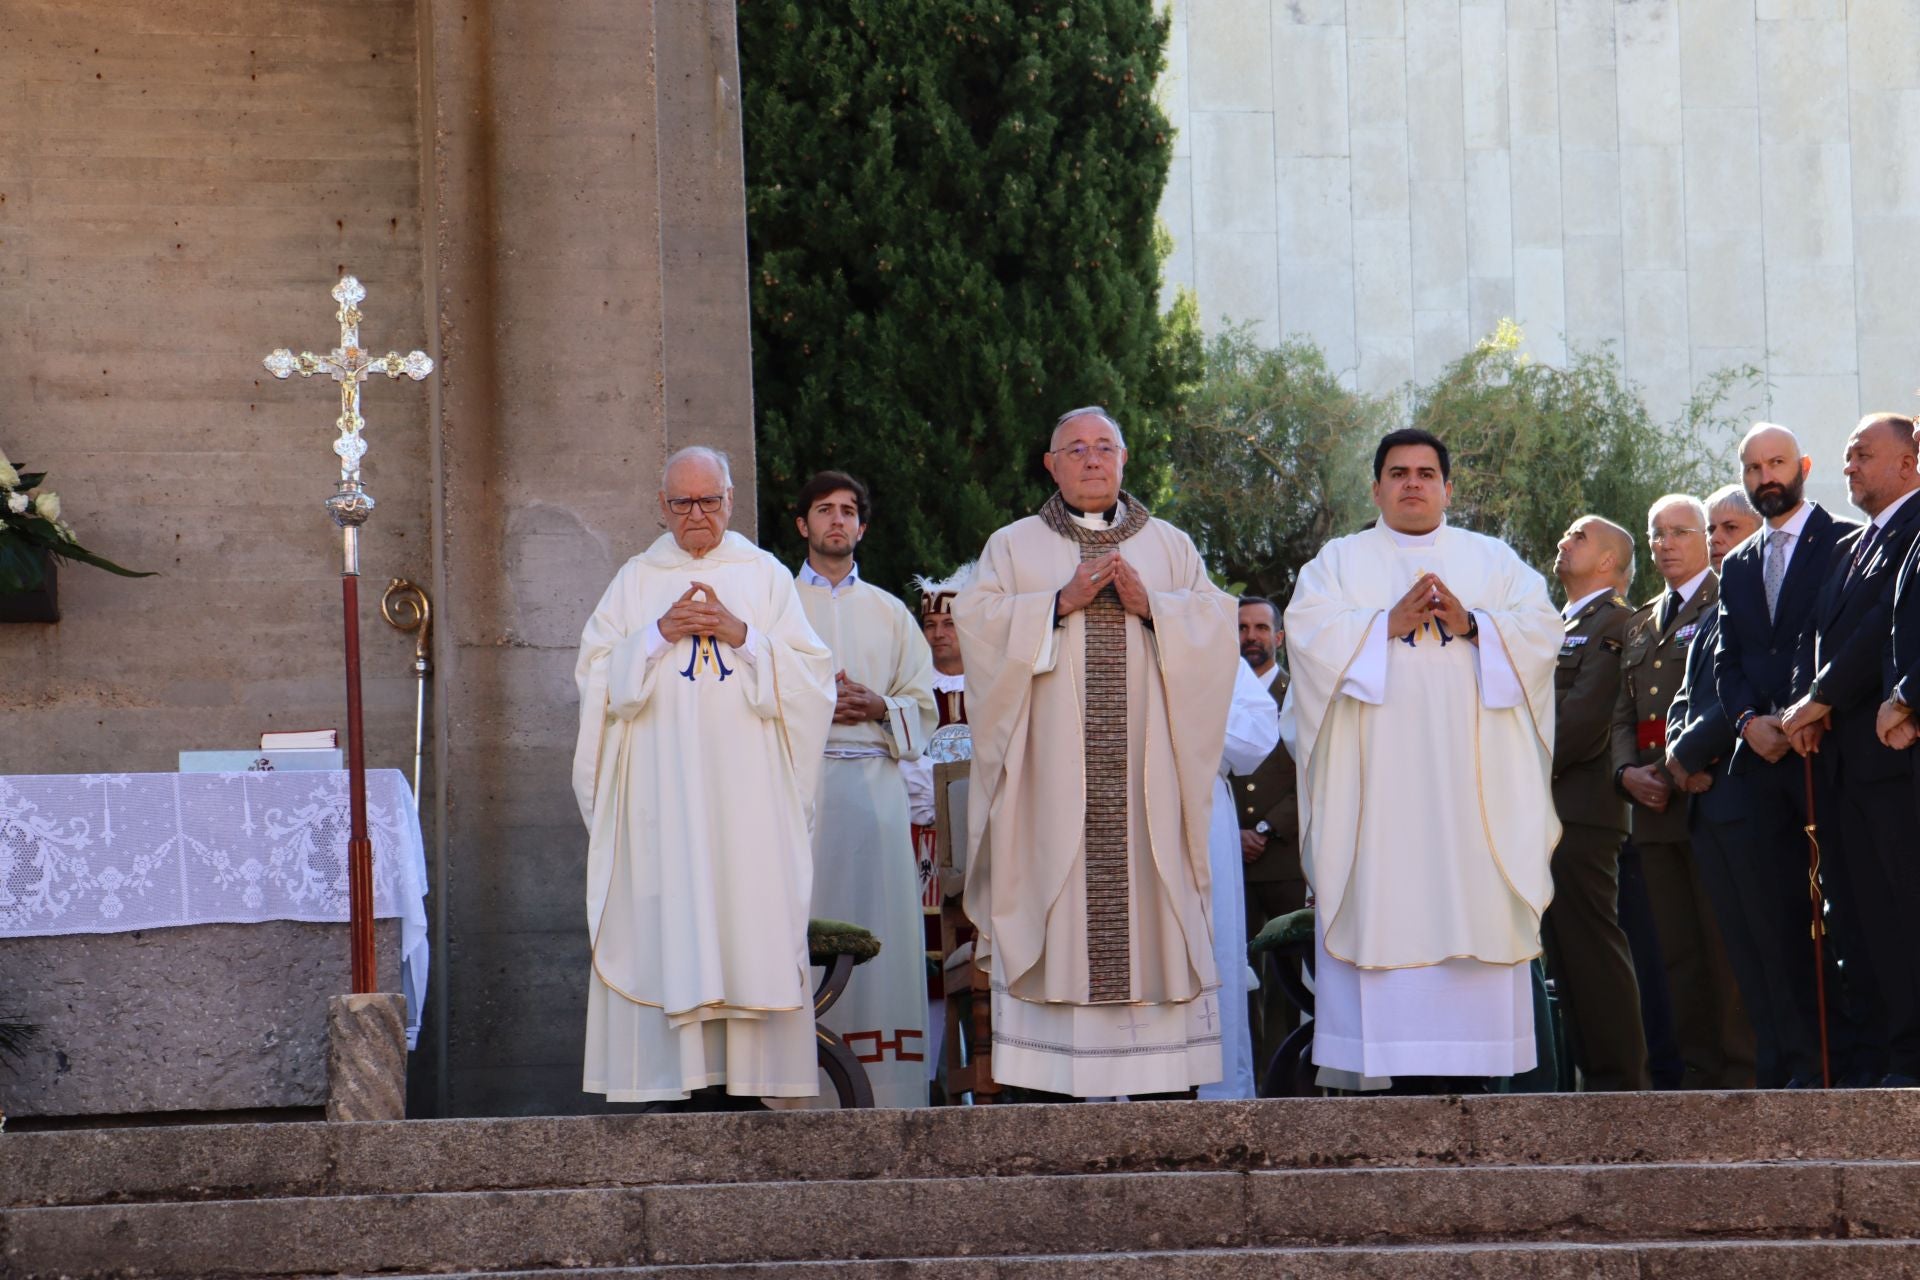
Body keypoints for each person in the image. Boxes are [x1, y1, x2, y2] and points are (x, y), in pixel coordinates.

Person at [953, 406, 1238, 1098]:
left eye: (1103, 447)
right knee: (1055, 902)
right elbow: (978, 626)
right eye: (1074, 449)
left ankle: (1162, 1080)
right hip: (1050, 783)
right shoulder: (1014, 547)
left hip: (1149, 788)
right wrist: (1054, 603)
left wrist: (1155, 608)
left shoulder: (1170, 548)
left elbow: (1215, 629)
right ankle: (1046, 1080)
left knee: (1152, 905)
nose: (1090, 459)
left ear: (1124, 458)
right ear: (1050, 465)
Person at [1282, 428, 1562, 1087]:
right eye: (1399, 473)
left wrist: (1475, 625)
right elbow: (1309, 635)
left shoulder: (1493, 561)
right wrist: (1382, 627)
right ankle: (1398, 1077)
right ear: (1376, 487)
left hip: (1475, 800)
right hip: (1379, 796)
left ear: (1448, 488)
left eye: (1427, 473)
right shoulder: (1338, 563)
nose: (1413, 483)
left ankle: (1473, 1079)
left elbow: (1544, 632)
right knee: (1387, 897)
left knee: (1474, 903)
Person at [572, 446, 836, 1108]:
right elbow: (597, 678)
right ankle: (674, 1082)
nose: (697, 514)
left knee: (742, 915)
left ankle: (747, 1083)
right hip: (661, 803)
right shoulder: (636, 581)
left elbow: (812, 679)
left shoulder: (765, 575)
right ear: (662, 508)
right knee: (672, 914)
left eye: (709, 500)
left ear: (731, 501)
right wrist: (657, 634)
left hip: (747, 802)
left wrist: (741, 633)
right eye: (683, 503)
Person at [1711, 422, 1857, 1087]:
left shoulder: (1845, 545)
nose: (1766, 477)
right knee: (1772, 922)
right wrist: (1747, 722)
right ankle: (1797, 1064)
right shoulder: (1738, 564)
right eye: (1753, 467)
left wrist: (1802, 712)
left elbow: (1834, 640)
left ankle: (1860, 1061)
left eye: (1776, 463)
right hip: (1759, 763)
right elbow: (1727, 658)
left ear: (1802, 465)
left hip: (1825, 755)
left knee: (1847, 913)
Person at [1778, 415, 1920, 1087]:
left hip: (1892, 760)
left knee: (1902, 907)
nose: (1851, 467)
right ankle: (1886, 1054)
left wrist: (1822, 699)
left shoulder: (1915, 527)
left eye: (1864, 455)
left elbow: (1875, 634)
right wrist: (1810, 703)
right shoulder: (1854, 543)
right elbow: (1822, 634)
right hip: (1844, 763)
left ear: (1908, 462)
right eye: (1846, 457)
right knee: (1860, 918)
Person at [791, 471, 938, 1108]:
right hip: (802, 795)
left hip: (876, 795)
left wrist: (879, 704)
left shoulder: (891, 612)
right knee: (801, 926)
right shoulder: (775, 605)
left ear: (863, 526)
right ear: (802, 524)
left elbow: (926, 707)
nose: (837, 521)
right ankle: (798, 1078)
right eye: (824, 510)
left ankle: (890, 1088)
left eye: (849, 510)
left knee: (880, 930)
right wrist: (818, 703)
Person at [1610, 494, 1754, 1089]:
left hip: (1706, 791)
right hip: (1652, 807)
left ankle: (1740, 1072)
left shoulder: (1730, 597)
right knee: (1675, 950)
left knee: (1723, 946)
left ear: (1704, 539)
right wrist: (1624, 774)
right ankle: (1697, 1076)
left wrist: (1674, 768)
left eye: (1679, 532)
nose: (1666, 544)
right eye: (1656, 535)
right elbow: (1622, 711)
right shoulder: (1641, 619)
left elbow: (1731, 693)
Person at [1543, 515, 1651, 1091]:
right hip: (1548, 810)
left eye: (1578, 536)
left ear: (1609, 561)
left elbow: (1582, 723)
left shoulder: (1617, 623)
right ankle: (1591, 1082)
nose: (1564, 541)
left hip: (1582, 812)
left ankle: (1621, 1086)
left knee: (1592, 949)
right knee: (1563, 955)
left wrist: (1514, 767)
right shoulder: (1556, 624)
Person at [1227, 595, 1303, 1088]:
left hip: (1284, 858)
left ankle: (1280, 1087)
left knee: (1285, 982)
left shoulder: (1299, 694)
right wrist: (1233, 833)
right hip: (1228, 858)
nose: (1250, 637)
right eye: (1241, 628)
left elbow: (1311, 772)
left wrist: (1264, 828)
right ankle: (1246, 1083)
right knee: (1236, 977)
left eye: (1260, 628)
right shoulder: (1215, 691)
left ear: (1278, 637)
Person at [902, 561, 972, 1093]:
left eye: (949, 624)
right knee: (926, 967)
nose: (939, 634)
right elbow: (901, 754)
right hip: (923, 844)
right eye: (930, 626)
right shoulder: (913, 688)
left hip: (985, 841)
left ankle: (994, 1080)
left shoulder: (994, 683)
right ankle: (925, 1081)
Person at [1199, 657, 1280, 1100]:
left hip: (1199, 805)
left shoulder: (1206, 635)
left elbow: (1259, 736)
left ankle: (1218, 1094)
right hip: (1109, 807)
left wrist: (1190, 694)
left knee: (1210, 946)